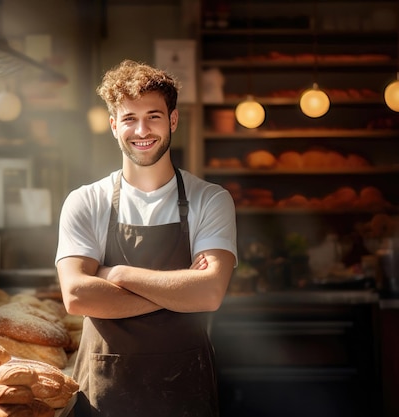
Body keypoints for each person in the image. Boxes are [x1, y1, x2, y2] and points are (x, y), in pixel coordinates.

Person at [55, 59, 237, 417]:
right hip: (103, 392)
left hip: (185, 391)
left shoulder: (210, 199)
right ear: (113, 126)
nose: (142, 130)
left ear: (173, 120)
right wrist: (181, 290)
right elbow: (76, 295)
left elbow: (210, 293)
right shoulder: (86, 201)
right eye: (129, 119)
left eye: (153, 116)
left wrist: (116, 274)